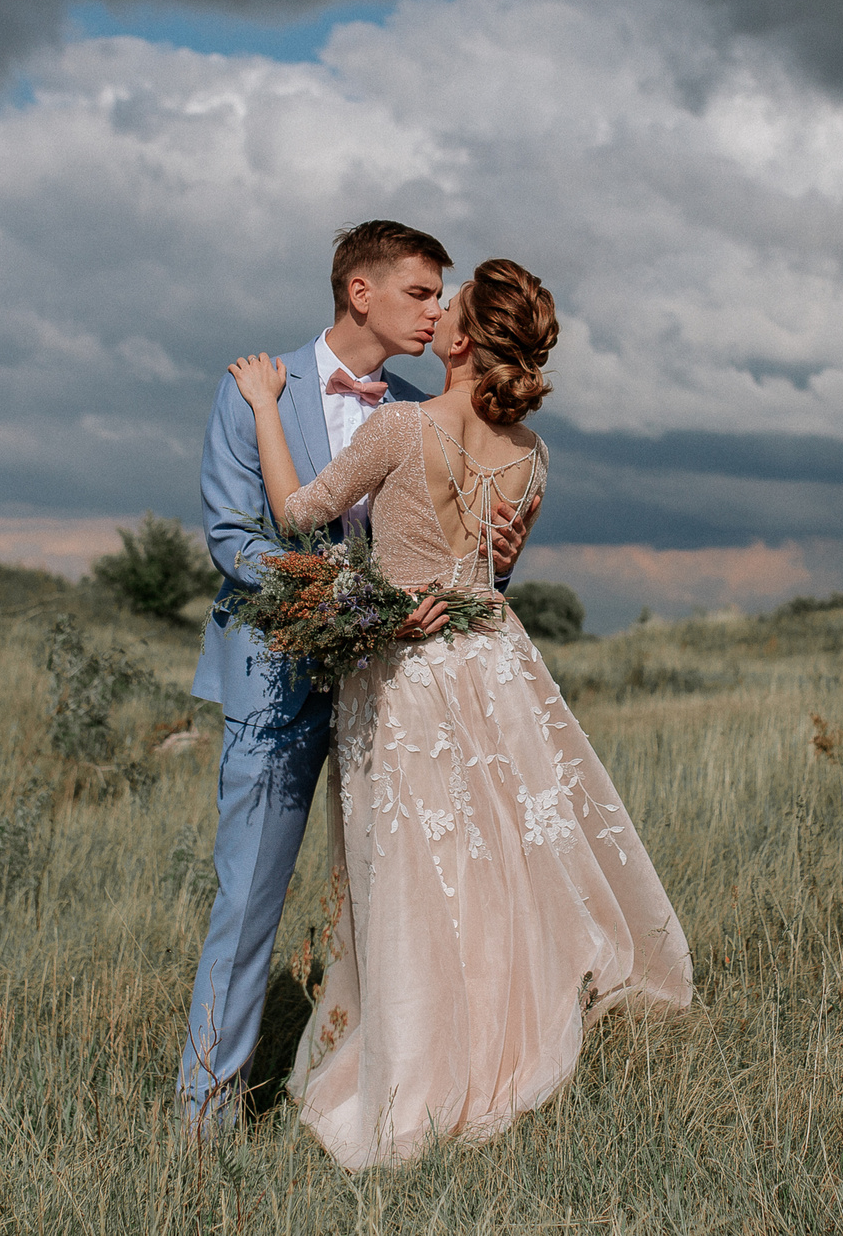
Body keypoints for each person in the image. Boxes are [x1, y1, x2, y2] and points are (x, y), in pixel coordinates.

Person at [223, 258, 693, 1169]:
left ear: (466, 340)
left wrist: (263, 405)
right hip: (499, 665)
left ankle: (428, 1064)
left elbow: (294, 515)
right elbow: (492, 571)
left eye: (451, 307)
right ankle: (499, 1026)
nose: (435, 316)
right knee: (495, 864)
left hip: (410, 678)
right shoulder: (533, 457)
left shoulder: (403, 425)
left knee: (413, 874)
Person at [177, 221, 537, 1136]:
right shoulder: (258, 387)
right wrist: (353, 608)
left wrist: (501, 555)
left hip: (403, 697)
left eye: (442, 298)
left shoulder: (422, 408)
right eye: (421, 292)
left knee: (403, 905)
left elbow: (449, 565)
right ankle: (200, 1125)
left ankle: (401, 1098)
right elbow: (233, 537)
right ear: (361, 291)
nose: (436, 313)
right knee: (250, 906)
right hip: (280, 685)